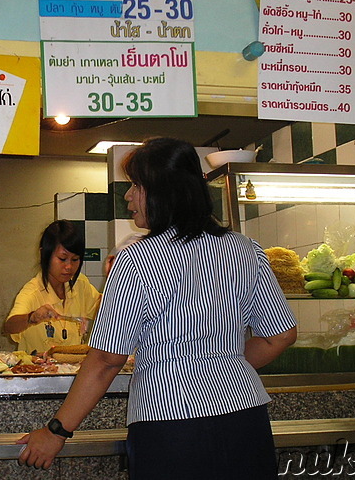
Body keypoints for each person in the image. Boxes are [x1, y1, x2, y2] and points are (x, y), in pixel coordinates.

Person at [17, 138, 298, 478]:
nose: (128, 196)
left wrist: (56, 431)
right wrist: (220, 364)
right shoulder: (246, 249)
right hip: (245, 421)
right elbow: (280, 336)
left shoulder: (137, 259)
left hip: (171, 428)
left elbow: (107, 360)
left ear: (165, 192)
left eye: (137, 185)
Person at [3, 220, 101, 354]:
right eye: (62, 259)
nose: (69, 267)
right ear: (45, 255)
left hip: (72, 371)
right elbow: (9, 326)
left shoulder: (81, 284)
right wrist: (32, 317)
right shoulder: (32, 291)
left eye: (75, 259)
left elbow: (105, 307)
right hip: (36, 371)